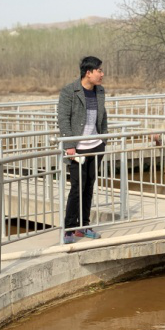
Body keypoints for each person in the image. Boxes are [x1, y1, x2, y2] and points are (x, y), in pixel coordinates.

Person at [57, 56, 108, 244]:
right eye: (99, 71)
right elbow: (63, 119)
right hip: (77, 149)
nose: (102, 74)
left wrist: (103, 138)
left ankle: (84, 226)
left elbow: (103, 115)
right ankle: (69, 228)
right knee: (77, 188)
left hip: (95, 146)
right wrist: (69, 145)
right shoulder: (69, 91)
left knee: (89, 187)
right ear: (88, 73)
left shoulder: (99, 90)